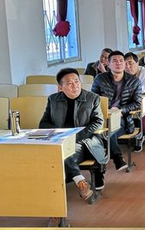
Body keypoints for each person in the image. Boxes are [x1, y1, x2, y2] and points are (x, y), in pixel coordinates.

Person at [40, 68, 107, 199]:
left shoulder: (92, 98)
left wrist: (75, 137)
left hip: (84, 141)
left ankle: (57, 193)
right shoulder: (53, 99)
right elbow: (43, 123)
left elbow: (98, 122)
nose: (75, 85)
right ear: (60, 87)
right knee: (50, 155)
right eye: (69, 83)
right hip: (60, 140)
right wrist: (60, 135)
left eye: (77, 81)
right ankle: (79, 181)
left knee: (60, 153)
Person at [91, 51, 143, 171]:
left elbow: (137, 104)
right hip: (103, 116)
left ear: (125, 64)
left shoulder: (134, 81)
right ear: (108, 64)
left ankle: (115, 158)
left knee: (107, 132)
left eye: (121, 61)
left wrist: (120, 110)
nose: (118, 63)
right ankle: (113, 159)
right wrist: (105, 111)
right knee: (96, 134)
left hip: (123, 119)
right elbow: (93, 99)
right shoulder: (100, 79)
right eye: (114, 61)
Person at [124, 52, 145, 152]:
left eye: (130, 63)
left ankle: (140, 137)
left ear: (137, 63)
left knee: (144, 127)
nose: (128, 66)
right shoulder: (121, 73)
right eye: (125, 64)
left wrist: (130, 89)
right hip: (126, 105)